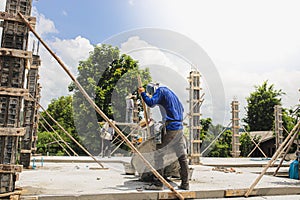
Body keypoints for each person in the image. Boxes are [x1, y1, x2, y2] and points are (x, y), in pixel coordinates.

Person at [138, 82, 189, 190]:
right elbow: (182, 109)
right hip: (179, 128)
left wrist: (143, 94)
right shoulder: (172, 94)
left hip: (170, 128)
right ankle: (185, 184)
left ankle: (158, 183)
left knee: (158, 154)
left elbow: (151, 103)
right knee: (182, 157)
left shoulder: (160, 91)